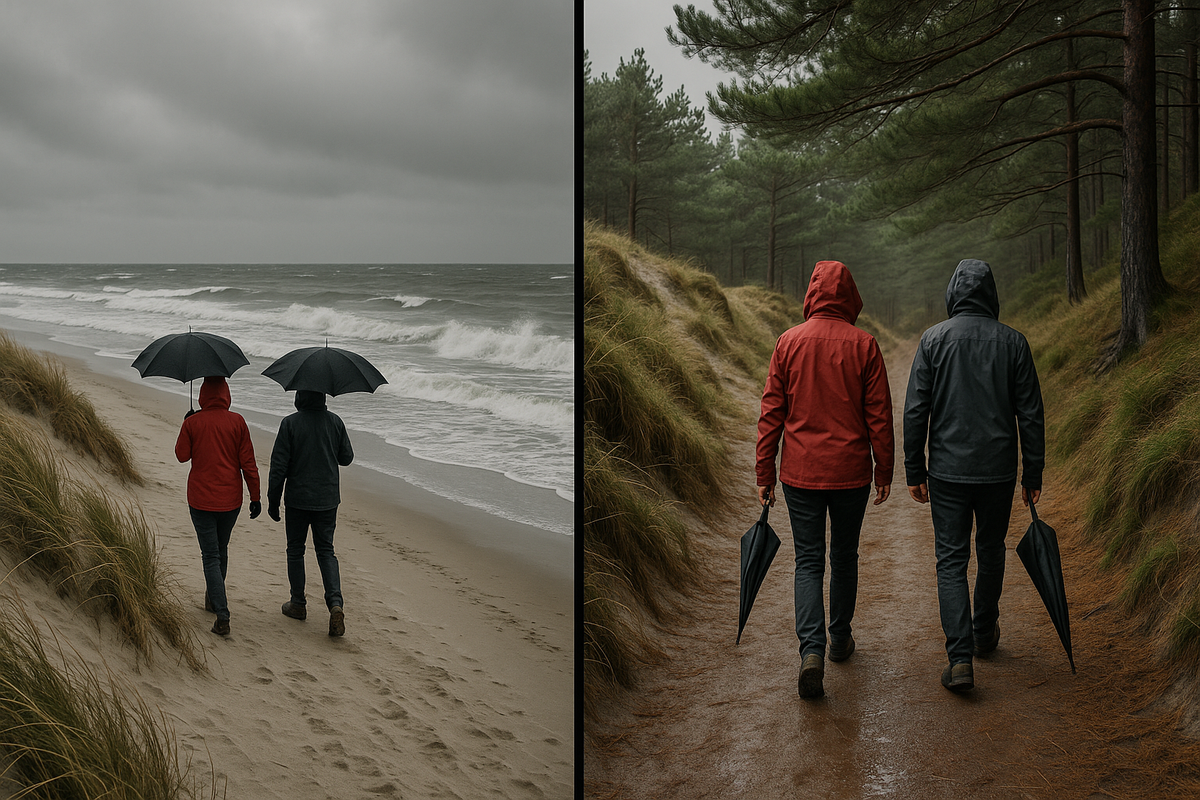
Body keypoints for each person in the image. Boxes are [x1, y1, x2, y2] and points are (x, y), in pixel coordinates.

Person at [903, 258, 1045, 693]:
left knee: (951, 560)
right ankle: (984, 632)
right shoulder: (1014, 343)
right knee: (991, 549)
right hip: (998, 472)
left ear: (953, 294)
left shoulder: (933, 340)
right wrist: (1032, 472)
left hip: (946, 472)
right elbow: (1031, 413)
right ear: (991, 294)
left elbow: (914, 410)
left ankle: (960, 658)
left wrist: (914, 467)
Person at [756, 260, 895, 699]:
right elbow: (879, 415)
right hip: (851, 473)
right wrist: (884, 470)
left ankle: (811, 651)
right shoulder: (865, 345)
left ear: (812, 293)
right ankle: (838, 640)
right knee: (845, 555)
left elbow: (771, 414)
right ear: (850, 295)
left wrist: (765, 472)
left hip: (799, 474)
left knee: (809, 561)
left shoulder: (788, 342)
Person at [174, 376, 261, 636]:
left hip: (200, 500)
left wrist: (187, 422)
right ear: (226, 394)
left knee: (210, 555)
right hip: (230, 501)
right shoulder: (238, 422)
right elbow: (249, 464)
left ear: (202, 395)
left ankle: (221, 611)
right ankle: (214, 600)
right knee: (220, 550)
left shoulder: (193, 422)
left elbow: (181, 456)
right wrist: (256, 497)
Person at [266, 389, 354, 637]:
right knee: (326, 551)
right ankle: (335, 604)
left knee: (296, 550)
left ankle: (298, 603)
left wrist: (273, 501)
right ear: (323, 397)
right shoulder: (335, 422)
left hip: (297, 499)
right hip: (327, 499)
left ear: (300, 398)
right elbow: (347, 457)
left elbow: (278, 466)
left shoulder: (290, 423)